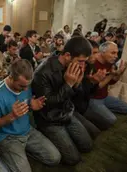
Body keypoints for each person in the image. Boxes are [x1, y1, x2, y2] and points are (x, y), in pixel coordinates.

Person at [0, 59, 61, 171]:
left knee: (54, 158)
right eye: (21, 86)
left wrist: (32, 106)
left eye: (28, 85)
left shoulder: (26, 85)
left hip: (27, 130)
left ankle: (19, 154)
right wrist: (11, 116)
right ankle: (3, 154)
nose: (25, 89)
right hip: (7, 137)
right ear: (11, 77)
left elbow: (26, 104)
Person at [32, 36, 93, 165]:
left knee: (87, 145)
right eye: (80, 61)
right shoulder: (42, 72)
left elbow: (75, 98)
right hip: (49, 119)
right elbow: (47, 103)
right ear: (67, 55)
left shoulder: (71, 66)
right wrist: (68, 85)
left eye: (85, 62)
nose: (83, 66)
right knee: (73, 159)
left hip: (66, 113)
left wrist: (77, 84)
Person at [87, 41, 127, 130]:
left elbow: (112, 82)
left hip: (105, 97)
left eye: (117, 53)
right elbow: (97, 86)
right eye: (113, 53)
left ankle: (102, 110)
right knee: (112, 120)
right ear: (102, 52)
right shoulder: (92, 63)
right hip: (93, 99)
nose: (116, 56)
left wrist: (119, 73)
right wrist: (112, 74)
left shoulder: (109, 63)